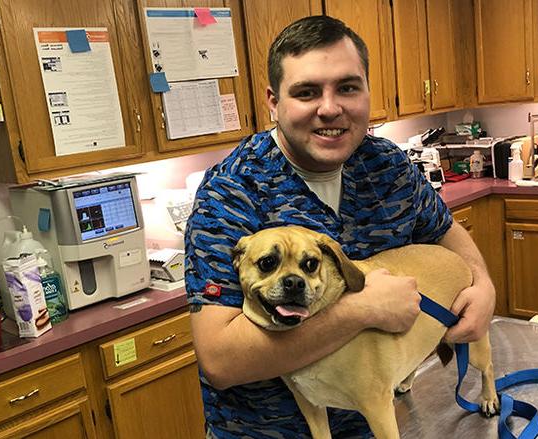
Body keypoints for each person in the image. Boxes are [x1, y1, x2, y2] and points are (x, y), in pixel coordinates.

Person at [185, 16, 496, 438]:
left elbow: (446, 231)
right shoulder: (232, 192)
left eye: (347, 87)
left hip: (377, 419)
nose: (330, 108)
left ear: (368, 92)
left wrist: (482, 287)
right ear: (273, 103)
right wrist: (363, 308)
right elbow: (221, 361)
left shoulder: (386, 164)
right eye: (307, 92)